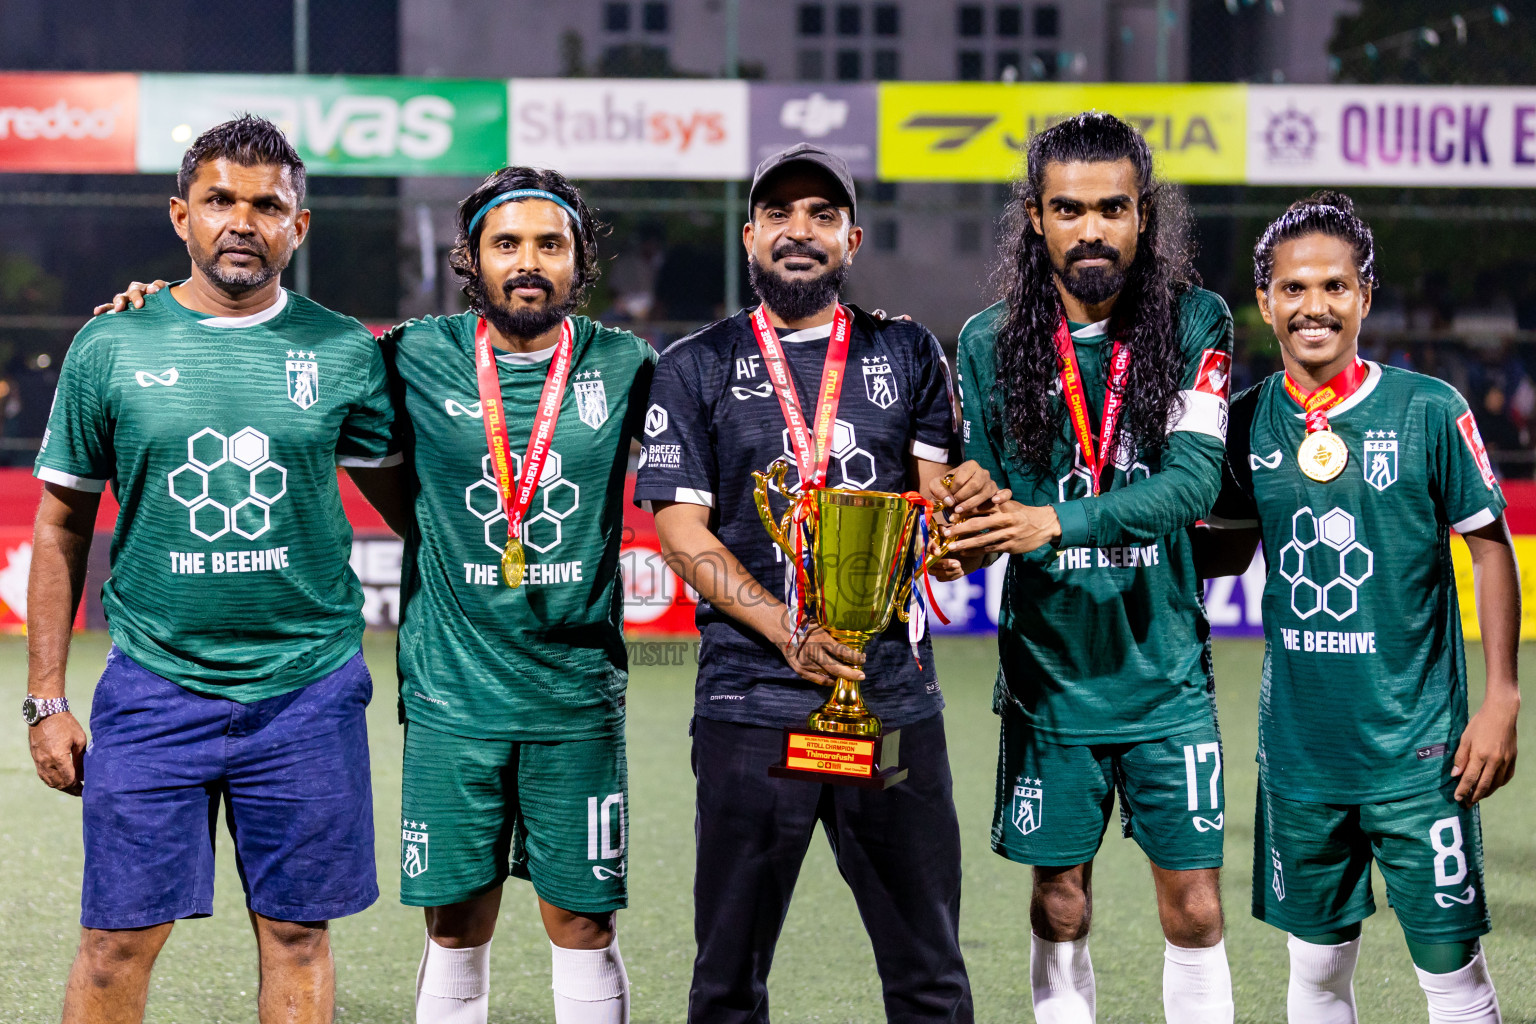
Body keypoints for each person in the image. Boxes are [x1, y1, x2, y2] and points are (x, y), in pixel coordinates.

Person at [98, 167, 654, 1024]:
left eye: (551, 244)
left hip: (576, 694)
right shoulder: (409, 354)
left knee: (583, 920)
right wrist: (154, 304)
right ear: (471, 257)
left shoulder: (630, 365)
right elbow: (269, 340)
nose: (528, 262)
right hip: (448, 693)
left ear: (580, 261)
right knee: (454, 921)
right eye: (507, 243)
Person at [27, 115, 397, 1024]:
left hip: (308, 691)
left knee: (299, 937)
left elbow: (415, 512)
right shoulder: (112, 344)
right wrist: (45, 699)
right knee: (115, 944)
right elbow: (60, 526)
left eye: (267, 206)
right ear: (180, 215)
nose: (242, 221)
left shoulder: (345, 350)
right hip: (154, 689)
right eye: (219, 199)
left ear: (297, 227)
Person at [634, 142, 998, 1024]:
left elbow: (933, 512)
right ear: (750, 235)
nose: (800, 231)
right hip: (749, 702)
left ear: (852, 239)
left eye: (823, 215)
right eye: (780, 214)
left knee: (931, 976)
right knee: (727, 984)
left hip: (891, 698)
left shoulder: (906, 350)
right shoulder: (695, 363)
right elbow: (681, 534)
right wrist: (787, 631)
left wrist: (961, 533)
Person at [1196, 191, 1519, 1024]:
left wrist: (1502, 698)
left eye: (1335, 286)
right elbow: (1225, 553)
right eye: (1294, 288)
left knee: (1452, 975)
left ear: (1365, 296)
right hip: (1301, 756)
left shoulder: (1429, 409)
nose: (1315, 307)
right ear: (1265, 300)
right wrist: (1137, 520)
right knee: (1315, 974)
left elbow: (1490, 548)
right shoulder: (1243, 423)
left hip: (1419, 754)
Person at [944, 113, 1236, 1024]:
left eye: (1113, 208)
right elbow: (982, 494)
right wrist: (962, 524)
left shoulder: (1195, 319)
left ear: (1144, 214)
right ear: (1036, 217)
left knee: (1195, 906)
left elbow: (1190, 485)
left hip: (1164, 678)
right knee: (1060, 899)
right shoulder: (988, 341)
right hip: (1051, 680)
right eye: (1069, 209)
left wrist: (1052, 522)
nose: (1092, 229)